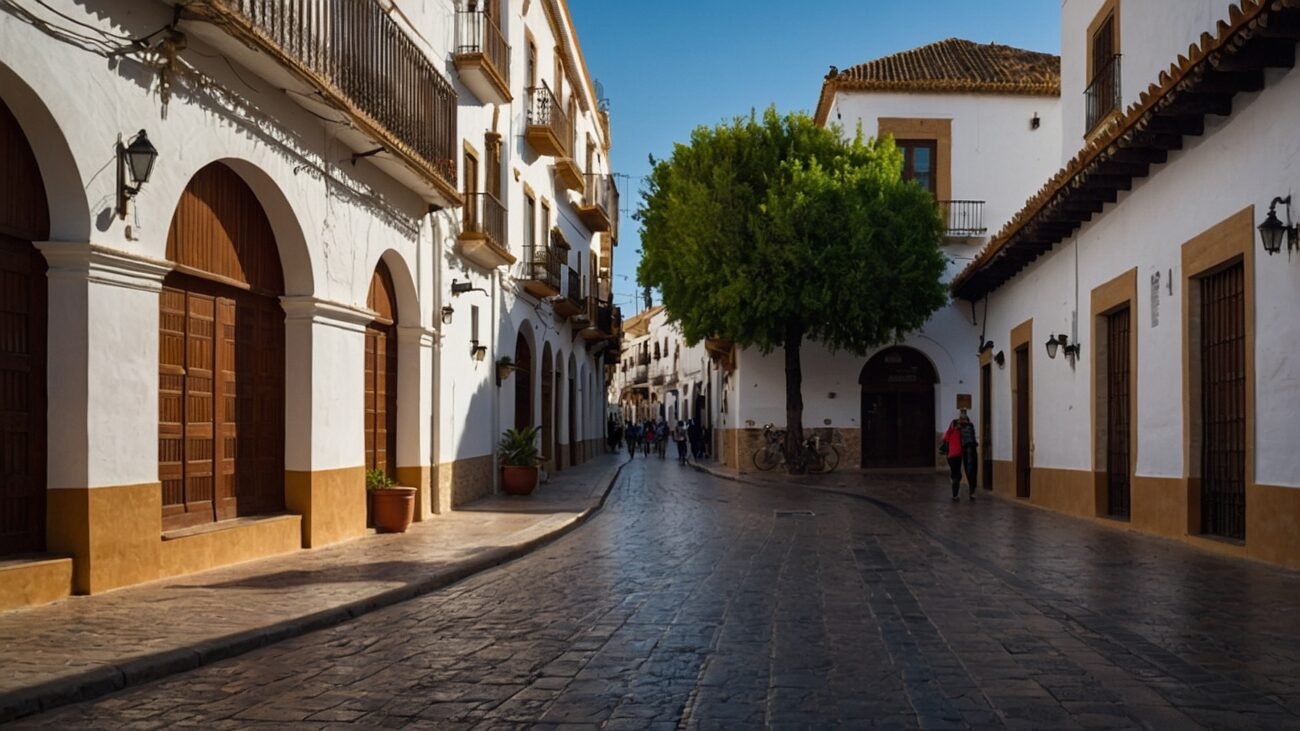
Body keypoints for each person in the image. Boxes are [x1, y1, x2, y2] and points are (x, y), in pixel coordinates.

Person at [941, 416, 970, 502]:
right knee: (957, 476)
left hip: (954, 456)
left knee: (956, 475)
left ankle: (955, 491)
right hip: (953, 456)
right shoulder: (955, 432)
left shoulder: (953, 432)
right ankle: (955, 495)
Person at [957, 410, 979, 494]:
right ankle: (972, 488)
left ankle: (972, 487)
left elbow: (966, 436)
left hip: (969, 448)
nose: (962, 420)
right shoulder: (968, 426)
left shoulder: (964, 427)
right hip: (969, 448)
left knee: (969, 469)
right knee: (970, 469)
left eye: (962, 419)